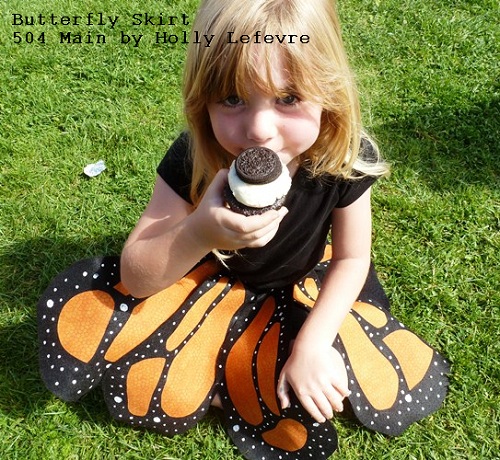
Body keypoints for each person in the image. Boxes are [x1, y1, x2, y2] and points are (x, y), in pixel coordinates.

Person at [37, 0, 449, 458]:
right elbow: (136, 277)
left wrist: (313, 345)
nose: (259, 130)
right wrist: (198, 234)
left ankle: (243, 372)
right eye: (232, 99)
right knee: (149, 365)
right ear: (202, 100)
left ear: (329, 90)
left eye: (288, 98)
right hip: (203, 282)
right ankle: (221, 374)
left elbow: (352, 259)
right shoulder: (194, 156)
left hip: (299, 284)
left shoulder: (343, 158)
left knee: (335, 372)